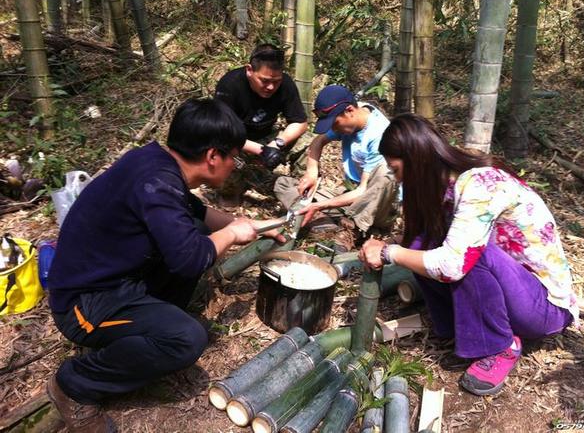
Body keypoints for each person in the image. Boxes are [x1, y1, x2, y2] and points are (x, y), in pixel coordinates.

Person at [46, 98, 285, 432]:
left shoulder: (157, 164)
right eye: (234, 157)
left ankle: (149, 328)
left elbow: (199, 213)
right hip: (83, 304)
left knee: (196, 228)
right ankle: (74, 385)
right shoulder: (157, 184)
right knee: (186, 339)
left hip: (117, 279)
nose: (234, 165)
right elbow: (191, 259)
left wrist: (256, 227)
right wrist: (232, 233)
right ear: (212, 156)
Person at [359, 114, 579, 396]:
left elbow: (453, 264)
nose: (396, 177)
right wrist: (392, 245)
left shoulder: (480, 183)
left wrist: (389, 252)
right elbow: (421, 241)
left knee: (470, 255)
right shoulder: (449, 187)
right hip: (517, 293)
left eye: (395, 168)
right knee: (423, 243)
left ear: (415, 160)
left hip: (544, 309)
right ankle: (461, 325)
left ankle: (500, 346)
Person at [275, 84, 398, 251]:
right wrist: (311, 172)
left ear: (349, 111)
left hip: (378, 204)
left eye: (335, 124)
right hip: (351, 195)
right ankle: (324, 223)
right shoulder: (357, 112)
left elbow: (363, 191)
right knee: (283, 184)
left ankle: (351, 229)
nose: (334, 129)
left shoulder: (379, 135)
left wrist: (320, 205)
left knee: (385, 172)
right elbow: (318, 141)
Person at [214, 43, 310, 206]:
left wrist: (277, 143)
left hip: (268, 137)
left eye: (276, 81)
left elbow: (300, 122)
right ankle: (232, 188)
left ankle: (302, 191)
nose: (271, 87)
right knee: (219, 152)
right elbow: (222, 132)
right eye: (264, 81)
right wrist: (261, 151)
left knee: (308, 142)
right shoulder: (230, 84)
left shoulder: (286, 84)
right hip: (237, 143)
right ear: (249, 70)